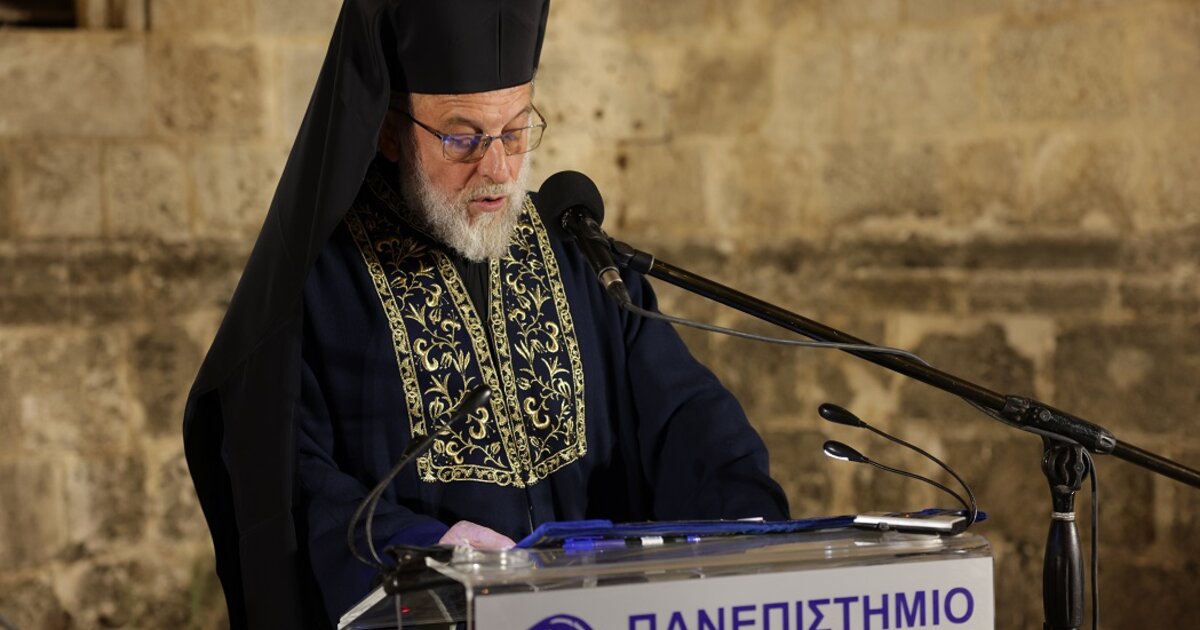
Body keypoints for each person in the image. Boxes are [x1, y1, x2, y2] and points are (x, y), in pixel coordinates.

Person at [183, 1, 788, 628]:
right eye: (462, 137)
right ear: (389, 130)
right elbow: (290, 478)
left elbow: (685, 414)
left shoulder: (577, 253)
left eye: (516, 131)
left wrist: (742, 521)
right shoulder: (323, 286)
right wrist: (427, 552)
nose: (497, 169)